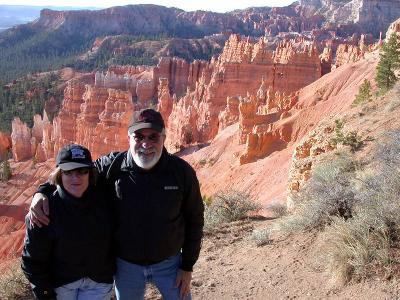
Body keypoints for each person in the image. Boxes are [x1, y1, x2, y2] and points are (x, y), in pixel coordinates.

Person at [29, 108, 204, 300]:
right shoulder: (111, 166)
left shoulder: (182, 172)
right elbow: (74, 173)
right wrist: (41, 192)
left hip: (169, 264)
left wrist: (187, 266)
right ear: (129, 138)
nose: (146, 144)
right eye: (138, 137)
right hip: (126, 267)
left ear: (163, 137)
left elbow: (195, 219)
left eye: (153, 137)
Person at [22, 144, 115, 300]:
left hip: (98, 282)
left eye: (82, 171)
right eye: (68, 171)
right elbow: (32, 260)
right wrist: (45, 294)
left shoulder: (104, 198)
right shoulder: (45, 210)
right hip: (61, 284)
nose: (75, 177)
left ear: (90, 173)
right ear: (60, 174)